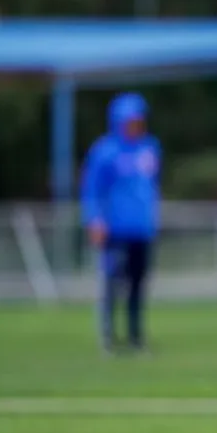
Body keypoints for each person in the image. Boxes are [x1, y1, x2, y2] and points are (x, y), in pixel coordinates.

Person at [79, 92, 161, 355]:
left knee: (138, 284)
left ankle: (136, 337)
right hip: (114, 230)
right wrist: (95, 220)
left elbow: (150, 187)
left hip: (142, 229)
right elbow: (92, 189)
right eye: (131, 120)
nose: (136, 124)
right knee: (111, 283)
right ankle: (108, 336)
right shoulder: (105, 151)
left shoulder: (150, 148)